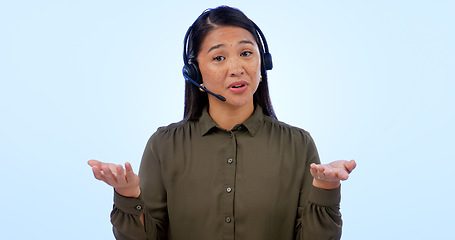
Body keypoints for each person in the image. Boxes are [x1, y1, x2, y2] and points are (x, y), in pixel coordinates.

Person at [88, 5, 356, 240]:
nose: (237, 68)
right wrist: (128, 194)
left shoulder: (298, 144)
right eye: (219, 58)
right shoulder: (164, 146)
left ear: (263, 63)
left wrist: (326, 188)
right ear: (195, 72)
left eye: (246, 53)